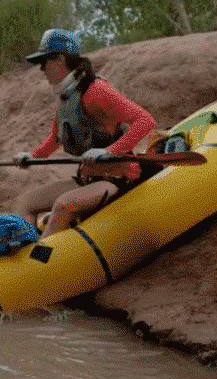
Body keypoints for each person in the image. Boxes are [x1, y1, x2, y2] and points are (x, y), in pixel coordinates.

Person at [11, 28, 156, 239]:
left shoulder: (96, 90)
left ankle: (40, 261)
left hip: (118, 177)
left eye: (44, 62)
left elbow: (145, 121)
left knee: (63, 204)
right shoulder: (66, 96)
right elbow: (55, 138)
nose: (41, 69)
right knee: (24, 203)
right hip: (88, 178)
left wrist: (109, 150)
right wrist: (32, 155)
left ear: (60, 59)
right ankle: (24, 253)